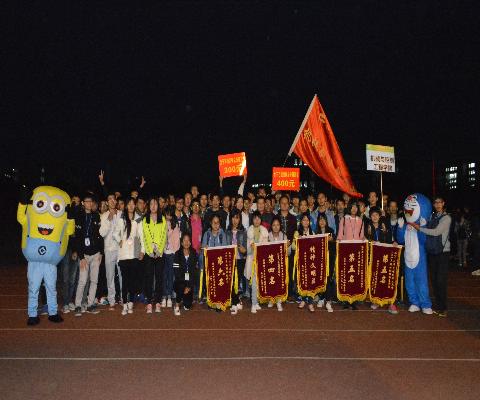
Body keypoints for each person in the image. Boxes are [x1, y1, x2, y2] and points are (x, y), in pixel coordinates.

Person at [410, 196, 452, 317]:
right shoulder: (432, 217)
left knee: (440, 280)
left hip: (443, 252)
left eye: (440, 202)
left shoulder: (446, 218)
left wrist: (419, 228)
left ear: (443, 203)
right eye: (436, 203)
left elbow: (436, 232)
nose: (438, 205)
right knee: (434, 280)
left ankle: (443, 308)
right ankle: (438, 305)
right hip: (432, 251)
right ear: (433, 205)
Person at [73, 193, 103, 316]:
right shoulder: (79, 216)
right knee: (82, 280)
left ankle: (90, 304)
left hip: (95, 254)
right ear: (83, 203)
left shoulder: (96, 216)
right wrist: (81, 257)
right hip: (84, 255)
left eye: (91, 201)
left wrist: (101, 252)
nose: (89, 203)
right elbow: (77, 238)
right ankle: (78, 305)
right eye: (87, 201)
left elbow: (100, 235)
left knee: (94, 280)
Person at [114, 198, 145, 315]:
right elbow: (115, 233)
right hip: (123, 255)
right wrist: (119, 240)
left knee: (132, 280)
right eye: (129, 204)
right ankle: (125, 304)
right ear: (126, 206)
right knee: (125, 281)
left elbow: (141, 236)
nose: (131, 206)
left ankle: (131, 302)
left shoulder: (138, 219)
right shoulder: (121, 219)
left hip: (133, 254)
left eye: (133, 204)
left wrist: (142, 251)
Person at [141, 198, 167, 314]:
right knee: (149, 277)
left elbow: (164, 236)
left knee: (159, 277)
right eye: (151, 204)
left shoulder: (163, 219)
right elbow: (145, 237)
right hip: (149, 253)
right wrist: (150, 251)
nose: (153, 206)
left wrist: (159, 251)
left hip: (159, 254)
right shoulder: (145, 220)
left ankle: (157, 302)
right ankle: (149, 302)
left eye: (155, 204)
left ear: (158, 206)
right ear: (149, 206)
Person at [337, 202, 365, 311]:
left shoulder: (360, 220)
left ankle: (353, 301)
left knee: (355, 275)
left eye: (356, 207)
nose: (354, 209)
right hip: (346, 251)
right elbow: (340, 234)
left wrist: (366, 241)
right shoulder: (344, 219)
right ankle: (345, 300)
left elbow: (361, 236)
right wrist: (338, 243)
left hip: (357, 251)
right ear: (349, 208)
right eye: (352, 207)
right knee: (345, 274)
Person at [99, 193, 122, 310]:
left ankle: (123, 297)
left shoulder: (121, 214)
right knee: (110, 276)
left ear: (116, 201)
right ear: (107, 202)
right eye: (110, 199)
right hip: (109, 249)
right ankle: (112, 299)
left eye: (114, 199)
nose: (112, 201)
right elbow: (102, 233)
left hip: (121, 249)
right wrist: (109, 219)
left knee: (122, 275)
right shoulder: (104, 216)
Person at [200, 215, 227, 307]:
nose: (216, 224)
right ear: (210, 224)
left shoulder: (222, 234)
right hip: (209, 264)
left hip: (219, 264)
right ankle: (211, 300)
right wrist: (204, 247)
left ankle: (219, 299)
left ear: (220, 224)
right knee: (210, 283)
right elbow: (202, 248)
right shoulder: (206, 234)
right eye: (214, 222)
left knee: (219, 282)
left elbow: (225, 249)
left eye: (217, 222)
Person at [245, 211, 269, 313]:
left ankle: (256, 302)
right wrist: (251, 248)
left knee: (259, 282)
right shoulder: (249, 232)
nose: (257, 220)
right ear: (252, 220)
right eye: (255, 218)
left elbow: (266, 248)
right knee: (254, 282)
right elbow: (248, 251)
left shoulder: (264, 232)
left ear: (261, 220)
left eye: (258, 218)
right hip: (252, 260)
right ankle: (253, 303)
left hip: (261, 260)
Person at [293, 213, 316, 312]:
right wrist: (298, 240)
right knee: (301, 280)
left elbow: (315, 247)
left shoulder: (313, 233)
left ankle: (310, 302)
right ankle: (303, 299)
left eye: (307, 220)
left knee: (310, 281)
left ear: (309, 222)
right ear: (301, 222)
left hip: (310, 261)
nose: (305, 222)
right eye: (304, 220)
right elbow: (293, 247)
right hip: (301, 260)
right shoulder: (297, 232)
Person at [267, 216, 291, 311]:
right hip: (270, 263)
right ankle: (271, 299)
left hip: (280, 264)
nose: (276, 227)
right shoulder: (267, 236)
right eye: (274, 225)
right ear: (271, 226)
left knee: (280, 283)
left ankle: (279, 301)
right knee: (271, 282)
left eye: (277, 225)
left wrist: (287, 246)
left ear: (280, 226)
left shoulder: (284, 236)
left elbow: (289, 252)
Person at [226, 210, 247, 314]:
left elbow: (246, 248)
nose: (235, 220)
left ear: (240, 219)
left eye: (237, 218)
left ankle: (235, 300)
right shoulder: (226, 232)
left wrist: (244, 250)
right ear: (230, 219)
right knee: (231, 281)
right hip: (230, 260)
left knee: (237, 281)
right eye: (233, 218)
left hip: (240, 260)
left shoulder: (243, 232)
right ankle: (235, 301)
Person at [278, 195, 298, 302]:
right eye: (282, 202)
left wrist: (289, 241)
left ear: (289, 204)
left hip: (290, 247)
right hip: (278, 247)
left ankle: (289, 292)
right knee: (279, 270)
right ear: (279, 204)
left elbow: (295, 231)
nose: (284, 204)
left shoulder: (293, 218)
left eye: (286, 202)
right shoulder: (275, 217)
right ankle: (279, 292)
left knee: (289, 270)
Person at [173, 234, 198, 316]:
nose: (186, 242)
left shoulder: (194, 253)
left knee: (187, 305)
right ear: (182, 243)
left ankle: (184, 299)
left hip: (189, 282)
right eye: (184, 240)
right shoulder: (177, 254)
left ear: (190, 243)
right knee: (181, 287)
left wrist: (189, 286)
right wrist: (185, 287)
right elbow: (176, 273)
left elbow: (194, 272)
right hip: (179, 282)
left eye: (188, 240)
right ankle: (177, 305)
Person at [316, 214, 335, 312]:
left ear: (326, 221)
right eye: (320, 220)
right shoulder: (316, 232)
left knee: (328, 279)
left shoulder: (331, 231)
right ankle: (321, 298)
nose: (322, 221)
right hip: (320, 260)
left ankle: (328, 301)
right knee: (321, 279)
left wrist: (332, 240)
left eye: (323, 219)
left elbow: (334, 246)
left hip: (329, 259)